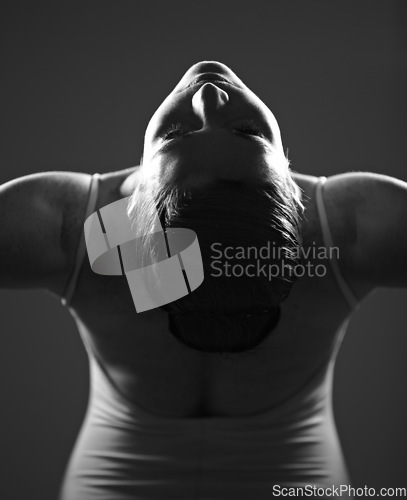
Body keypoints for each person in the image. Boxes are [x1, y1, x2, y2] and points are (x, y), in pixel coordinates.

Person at [1, 60, 406, 500]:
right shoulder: (351, 230)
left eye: (174, 136)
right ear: (291, 189)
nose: (208, 95)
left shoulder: (69, 230)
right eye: (248, 132)